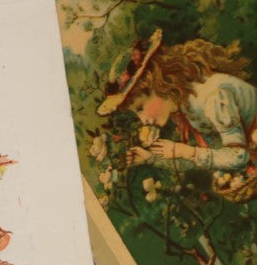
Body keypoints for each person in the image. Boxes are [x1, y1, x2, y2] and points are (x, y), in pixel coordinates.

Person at [101, 30, 255, 188]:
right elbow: (206, 157)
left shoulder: (211, 98)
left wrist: (186, 151)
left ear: (158, 84)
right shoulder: (185, 104)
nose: (143, 119)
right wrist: (151, 158)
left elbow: (239, 156)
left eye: (140, 108)